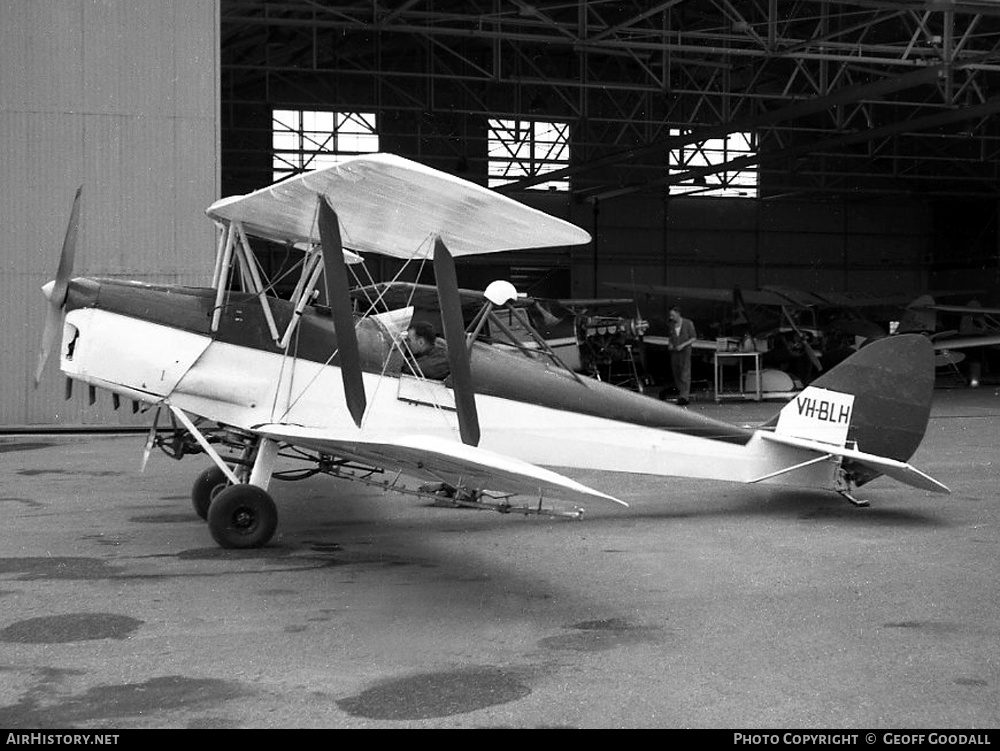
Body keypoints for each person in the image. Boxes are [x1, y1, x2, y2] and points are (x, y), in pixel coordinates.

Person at [666, 306, 697, 405]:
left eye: (673, 315)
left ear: (678, 314)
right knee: (677, 372)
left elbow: (693, 338)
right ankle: (681, 392)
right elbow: (670, 337)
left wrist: (683, 345)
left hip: (685, 351)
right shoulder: (671, 325)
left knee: (685, 373)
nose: (671, 317)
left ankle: (684, 396)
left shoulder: (688, 323)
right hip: (675, 351)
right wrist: (670, 344)